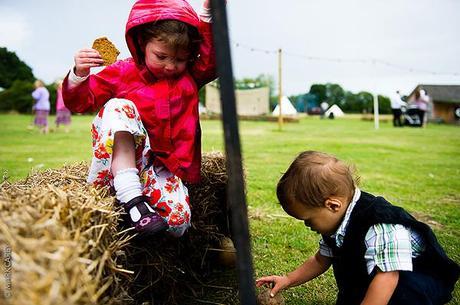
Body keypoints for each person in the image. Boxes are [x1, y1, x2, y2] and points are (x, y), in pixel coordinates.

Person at [62, 0, 217, 237]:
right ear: (142, 43)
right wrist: (79, 75)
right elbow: (81, 102)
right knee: (119, 107)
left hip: (162, 167)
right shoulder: (123, 71)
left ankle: (136, 213)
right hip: (121, 158)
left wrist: (207, 16)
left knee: (178, 223)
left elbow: (211, 61)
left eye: (179, 59)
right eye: (161, 56)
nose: (170, 66)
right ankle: (132, 199)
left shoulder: (190, 76)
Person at [256, 151, 459, 305]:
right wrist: (288, 279)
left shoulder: (380, 226)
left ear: (332, 205)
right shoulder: (336, 222)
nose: (307, 225)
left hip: (416, 281)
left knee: (399, 292)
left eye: (308, 219)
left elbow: (387, 278)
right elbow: (320, 259)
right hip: (380, 278)